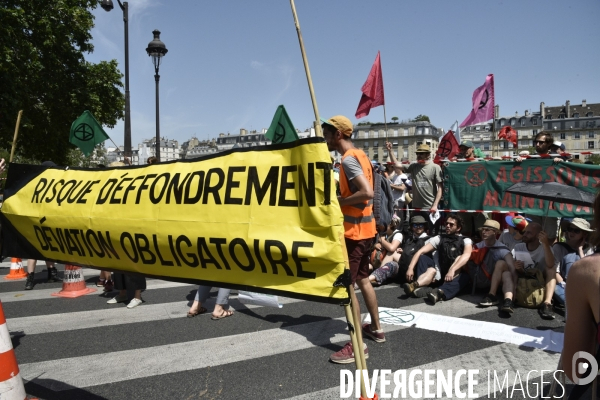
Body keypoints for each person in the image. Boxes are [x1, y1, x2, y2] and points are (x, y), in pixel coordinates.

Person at [321, 115, 384, 364]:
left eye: (327, 133)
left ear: (338, 134)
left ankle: (357, 344)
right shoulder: (360, 154)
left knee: (348, 287)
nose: (324, 137)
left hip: (355, 233)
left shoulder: (348, 159)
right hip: (365, 231)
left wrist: (339, 201)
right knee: (363, 279)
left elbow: (366, 192)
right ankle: (376, 329)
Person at [563, 192, 600, 391]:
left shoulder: (587, 268)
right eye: (569, 229)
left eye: (576, 230)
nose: (570, 233)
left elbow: (577, 370)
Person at [403, 214, 473, 299]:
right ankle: (418, 285)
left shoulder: (465, 240)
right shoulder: (439, 238)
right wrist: (410, 268)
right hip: (440, 272)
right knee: (423, 257)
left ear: (458, 228)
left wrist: (452, 270)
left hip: (455, 274)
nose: (447, 226)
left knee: (464, 276)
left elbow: (466, 255)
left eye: (451, 225)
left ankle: (439, 292)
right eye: (446, 223)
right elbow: (420, 251)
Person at [511, 222, 558, 319]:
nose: (524, 235)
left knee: (551, 270)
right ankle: (510, 297)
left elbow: (550, 264)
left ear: (538, 236)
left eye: (528, 233)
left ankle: (547, 303)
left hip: (539, 279)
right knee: (510, 269)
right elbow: (517, 272)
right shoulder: (518, 247)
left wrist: (545, 244)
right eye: (525, 232)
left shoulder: (546, 248)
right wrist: (518, 268)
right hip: (524, 278)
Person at [474, 220, 517, 312]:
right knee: (505, 271)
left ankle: (504, 299)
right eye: (483, 230)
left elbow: (512, 268)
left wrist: (515, 288)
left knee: (505, 270)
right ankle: (501, 298)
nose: (484, 232)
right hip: (481, 279)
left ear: (495, 232)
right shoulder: (476, 246)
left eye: (487, 230)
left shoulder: (503, 249)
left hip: (499, 283)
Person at [553, 218, 594, 309]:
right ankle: (580, 308)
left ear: (584, 234)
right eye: (570, 229)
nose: (572, 233)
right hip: (564, 285)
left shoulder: (589, 249)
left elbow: (589, 271)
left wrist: (580, 251)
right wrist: (565, 285)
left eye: (577, 231)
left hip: (584, 286)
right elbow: (555, 271)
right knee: (556, 289)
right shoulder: (559, 247)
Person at [405, 144, 443, 235]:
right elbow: (397, 166)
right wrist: (390, 151)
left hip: (429, 207)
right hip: (416, 207)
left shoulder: (435, 167)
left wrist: (435, 205)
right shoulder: (414, 166)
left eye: (422, 153)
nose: (419, 155)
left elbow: (440, 188)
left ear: (428, 155)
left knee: (432, 232)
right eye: (418, 153)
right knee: (416, 232)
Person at [368, 216, 403, 286]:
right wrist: (374, 245)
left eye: (384, 225)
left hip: (389, 263)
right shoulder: (381, 233)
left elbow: (392, 248)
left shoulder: (398, 234)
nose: (381, 227)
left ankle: (378, 275)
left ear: (391, 225)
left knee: (391, 253)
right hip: (376, 260)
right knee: (367, 267)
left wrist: (382, 241)